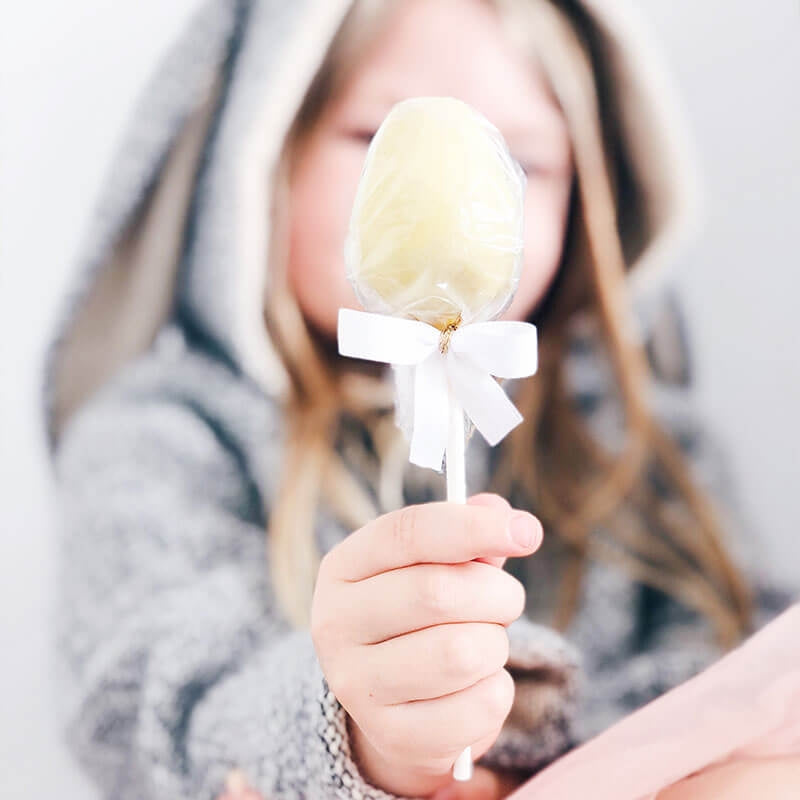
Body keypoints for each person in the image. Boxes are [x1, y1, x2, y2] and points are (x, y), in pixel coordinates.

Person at [42, 0, 794, 798]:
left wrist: (522, 758)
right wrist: (358, 730)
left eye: (525, 163)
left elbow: (737, 662)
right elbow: (158, 704)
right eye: (375, 140)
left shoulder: (637, 437)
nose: (472, 190)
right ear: (258, 157)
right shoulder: (160, 440)